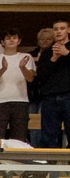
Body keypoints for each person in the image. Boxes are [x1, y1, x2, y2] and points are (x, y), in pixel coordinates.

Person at [0, 30, 36, 143]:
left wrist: (22, 67)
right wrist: (3, 69)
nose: (12, 40)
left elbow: (30, 78)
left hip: (20, 101)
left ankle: (16, 161)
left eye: (15, 37)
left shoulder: (26, 57)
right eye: (8, 38)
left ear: (19, 41)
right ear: (2, 42)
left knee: (19, 138)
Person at [33, 19, 70, 150]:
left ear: (68, 30)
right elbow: (41, 76)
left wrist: (67, 54)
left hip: (68, 95)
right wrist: (53, 59)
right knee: (48, 136)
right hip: (49, 97)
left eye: (62, 28)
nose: (59, 31)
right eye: (56, 29)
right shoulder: (47, 52)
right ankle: (50, 169)